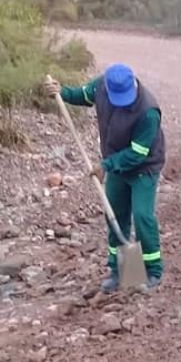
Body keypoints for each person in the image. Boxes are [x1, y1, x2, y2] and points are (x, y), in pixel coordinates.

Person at [43, 64, 166, 291]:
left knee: (142, 216)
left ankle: (153, 271)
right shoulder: (101, 86)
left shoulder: (148, 111)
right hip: (116, 165)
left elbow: (138, 154)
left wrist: (106, 165)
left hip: (144, 168)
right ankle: (122, 272)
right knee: (115, 217)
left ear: (134, 85)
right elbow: (83, 95)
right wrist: (62, 92)